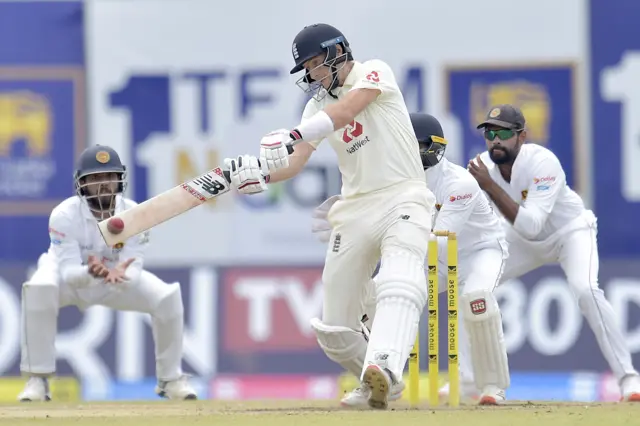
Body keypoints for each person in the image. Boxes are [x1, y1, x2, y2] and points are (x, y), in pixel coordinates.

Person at [224, 23, 436, 409]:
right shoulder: (315, 105)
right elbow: (295, 163)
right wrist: (257, 174)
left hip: (403, 194)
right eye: (307, 69)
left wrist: (293, 133)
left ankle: (385, 366)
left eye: (316, 64)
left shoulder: (374, 72)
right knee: (334, 329)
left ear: (338, 50)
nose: (313, 75)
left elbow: (349, 109)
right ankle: (374, 383)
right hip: (354, 209)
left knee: (399, 276)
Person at [312, 113, 511, 406]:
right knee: (372, 298)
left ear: (435, 148)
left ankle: (492, 385)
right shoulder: (392, 180)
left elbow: (441, 241)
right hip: (433, 253)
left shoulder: (459, 184)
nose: (408, 152)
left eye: (416, 145)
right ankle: (376, 377)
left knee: (476, 300)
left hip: (479, 251)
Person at [467, 104, 640, 402]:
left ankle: (629, 379)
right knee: (473, 292)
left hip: (570, 233)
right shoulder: (481, 167)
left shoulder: (543, 162)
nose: (495, 140)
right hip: (519, 239)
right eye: (490, 133)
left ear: (522, 136)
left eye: (504, 133)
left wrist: (489, 188)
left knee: (586, 290)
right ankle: (477, 384)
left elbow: (533, 225)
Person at [18, 145, 197, 402]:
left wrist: (118, 276)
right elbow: (67, 272)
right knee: (38, 288)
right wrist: (93, 272)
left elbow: (133, 267)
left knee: (166, 297)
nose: (103, 185)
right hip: (72, 279)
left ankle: (171, 380)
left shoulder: (135, 214)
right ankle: (38, 380)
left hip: (116, 280)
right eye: (95, 179)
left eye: (109, 177)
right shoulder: (63, 216)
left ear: (119, 179)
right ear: (82, 184)